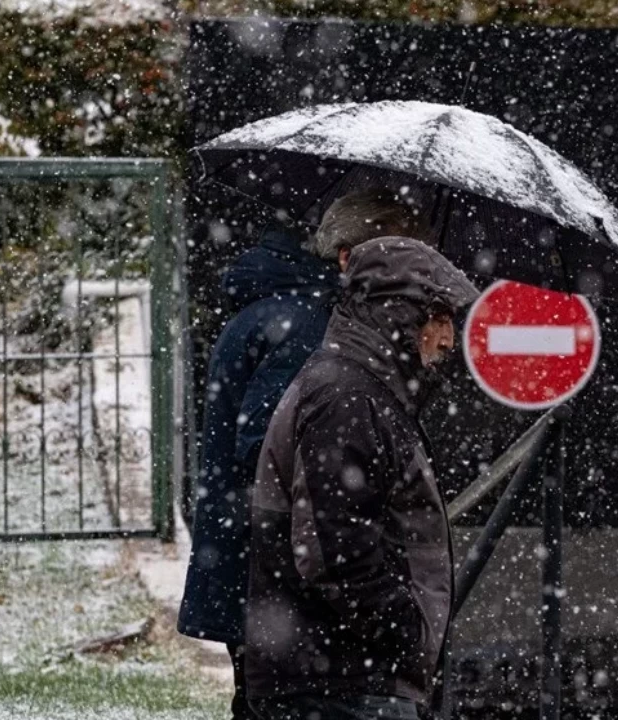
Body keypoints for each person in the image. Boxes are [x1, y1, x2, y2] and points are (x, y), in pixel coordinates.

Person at [178, 189, 431, 720]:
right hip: (277, 584)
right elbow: (272, 450)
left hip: (256, 573)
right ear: (347, 258)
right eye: (394, 255)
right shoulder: (308, 327)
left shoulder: (285, 312)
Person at [242, 236, 479, 720]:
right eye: (439, 318)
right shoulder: (349, 398)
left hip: (337, 677)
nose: (449, 339)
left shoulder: (357, 391)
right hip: (342, 684)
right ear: (401, 315)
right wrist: (407, 632)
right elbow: (334, 552)